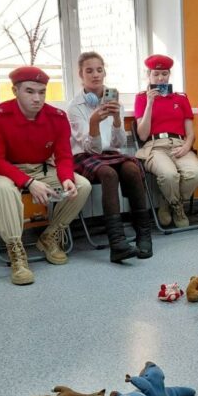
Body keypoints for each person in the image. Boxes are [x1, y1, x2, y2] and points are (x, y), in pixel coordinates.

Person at [0, 66, 92, 285]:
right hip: (3, 169)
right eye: (30, 91)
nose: (37, 98)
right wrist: (29, 182)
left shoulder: (57, 117)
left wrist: (66, 178)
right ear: (15, 91)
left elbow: (63, 156)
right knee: (4, 189)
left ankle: (50, 236)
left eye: (42, 92)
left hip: (40, 168)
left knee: (82, 185)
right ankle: (16, 250)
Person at [67, 52, 152, 263]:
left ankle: (144, 235)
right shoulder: (74, 107)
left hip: (111, 153)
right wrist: (94, 122)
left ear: (104, 72)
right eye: (89, 71)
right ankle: (117, 243)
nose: (95, 75)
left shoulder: (114, 102)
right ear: (81, 75)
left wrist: (116, 120)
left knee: (132, 169)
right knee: (108, 174)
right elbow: (92, 149)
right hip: (85, 155)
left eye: (99, 70)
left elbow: (118, 143)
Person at [134, 54, 198, 228]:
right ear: (148, 75)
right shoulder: (141, 98)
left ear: (169, 75)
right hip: (155, 146)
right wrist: (150, 103)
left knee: (196, 174)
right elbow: (142, 135)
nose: (160, 78)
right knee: (169, 175)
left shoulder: (181, 98)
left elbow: (190, 133)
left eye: (164, 74)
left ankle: (169, 203)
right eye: (156, 74)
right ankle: (177, 207)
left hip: (180, 144)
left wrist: (187, 146)